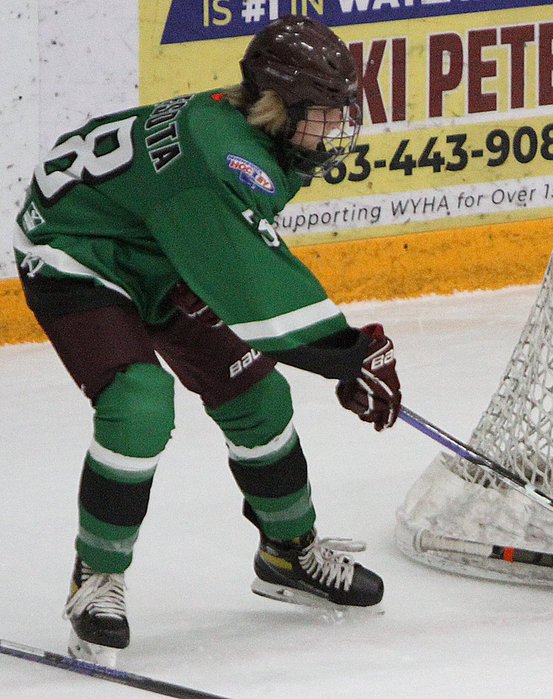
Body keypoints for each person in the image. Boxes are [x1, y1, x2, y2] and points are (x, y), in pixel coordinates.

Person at [13, 15, 402, 664]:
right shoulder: (225, 158)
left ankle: (288, 552)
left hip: (158, 241)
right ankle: (96, 578)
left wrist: (342, 355)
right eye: (323, 114)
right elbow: (254, 289)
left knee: (259, 398)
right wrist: (348, 353)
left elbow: (242, 269)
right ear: (279, 104)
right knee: (139, 403)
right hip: (75, 246)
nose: (337, 129)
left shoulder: (257, 131)